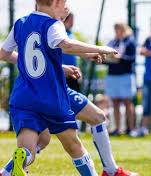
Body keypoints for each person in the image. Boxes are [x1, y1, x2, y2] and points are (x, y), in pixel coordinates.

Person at [0, 0, 117, 175]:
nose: (66, 11)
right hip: (51, 96)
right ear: (57, 2)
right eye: (65, 6)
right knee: (74, 146)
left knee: (30, 149)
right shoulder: (52, 24)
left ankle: (22, 157)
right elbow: (66, 44)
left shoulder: (20, 23)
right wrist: (101, 48)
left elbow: (4, 53)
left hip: (23, 97)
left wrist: (60, 67)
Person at [105, 23, 137, 136]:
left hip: (125, 76)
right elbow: (104, 57)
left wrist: (120, 58)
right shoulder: (112, 42)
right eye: (115, 29)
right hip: (112, 76)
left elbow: (132, 58)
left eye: (119, 29)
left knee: (128, 102)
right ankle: (117, 129)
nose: (117, 31)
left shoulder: (130, 41)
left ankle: (131, 129)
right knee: (115, 103)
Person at [62, 13, 81, 91]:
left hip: (72, 73)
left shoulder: (71, 34)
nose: (72, 23)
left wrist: (78, 70)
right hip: (63, 72)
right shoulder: (59, 33)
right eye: (70, 20)